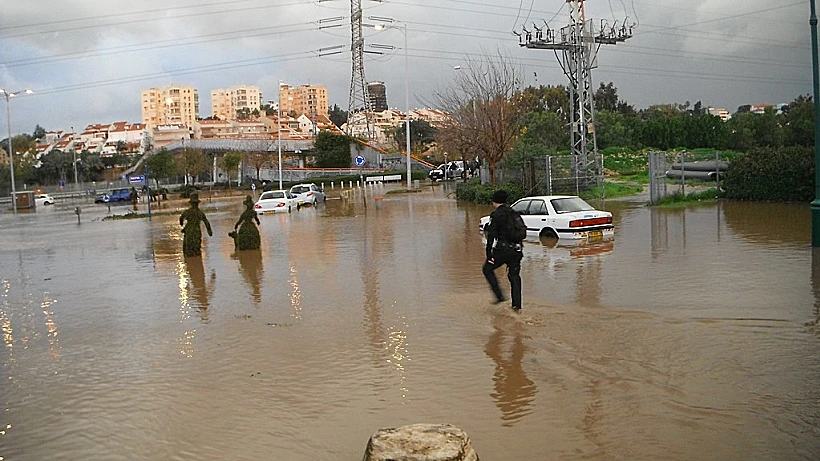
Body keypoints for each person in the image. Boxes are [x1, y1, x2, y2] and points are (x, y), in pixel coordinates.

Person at [482, 189, 523, 311]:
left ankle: (499, 296)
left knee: (487, 269)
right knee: (514, 277)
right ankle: (517, 306)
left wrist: (489, 255)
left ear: (494, 202)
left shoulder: (496, 215)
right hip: (517, 250)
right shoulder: (514, 213)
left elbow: (491, 236)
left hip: (502, 250)